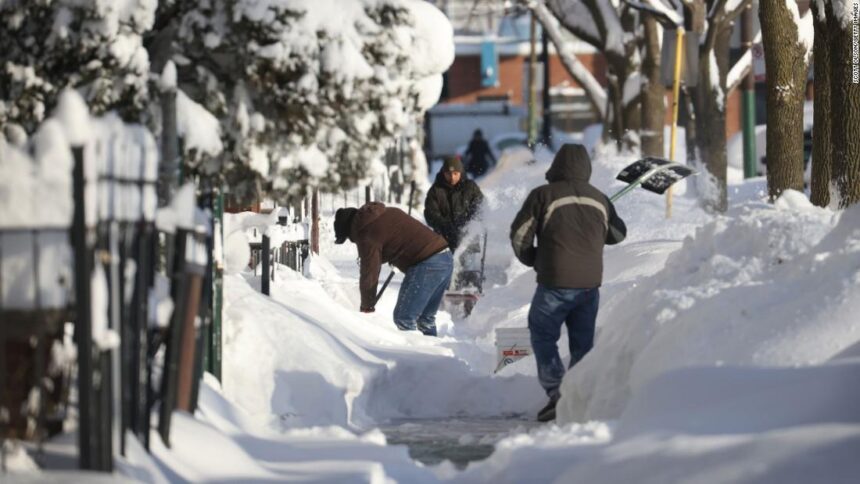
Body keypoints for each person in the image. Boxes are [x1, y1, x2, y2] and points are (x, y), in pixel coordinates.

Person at [509, 144, 626, 422]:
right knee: (582, 344)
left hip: (555, 281)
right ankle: (579, 397)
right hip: (589, 285)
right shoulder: (599, 199)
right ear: (586, 168)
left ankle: (557, 392)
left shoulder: (543, 195)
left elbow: (519, 234)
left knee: (543, 335)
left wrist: (533, 258)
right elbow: (618, 234)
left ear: (557, 165)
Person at [334, 202, 453, 336]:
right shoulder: (384, 212)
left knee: (403, 318)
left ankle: (414, 356)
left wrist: (366, 306)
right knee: (425, 319)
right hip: (445, 257)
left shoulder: (365, 233)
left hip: (427, 263)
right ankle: (433, 354)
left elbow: (369, 273)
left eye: (349, 238)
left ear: (350, 230)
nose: (353, 241)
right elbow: (401, 237)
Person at [424, 156, 484, 252]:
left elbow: (480, 207)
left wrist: (468, 223)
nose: (452, 177)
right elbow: (430, 214)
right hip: (444, 242)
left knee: (466, 266)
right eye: (448, 174)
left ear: (461, 173)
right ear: (443, 173)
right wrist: (445, 226)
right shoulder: (435, 190)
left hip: (468, 242)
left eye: (455, 174)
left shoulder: (471, 187)